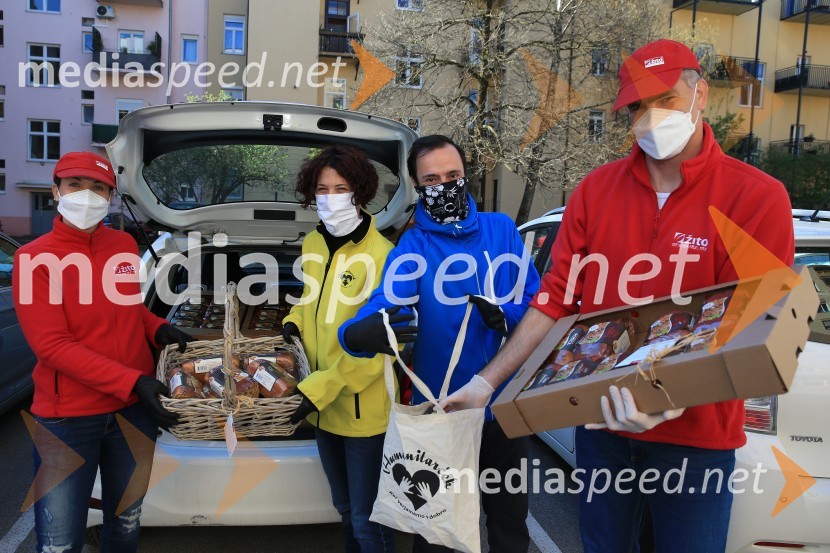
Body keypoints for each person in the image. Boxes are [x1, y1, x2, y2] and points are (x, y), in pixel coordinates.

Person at [440, 39, 795, 552]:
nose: (651, 118)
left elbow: (757, 320)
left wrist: (671, 398)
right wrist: (485, 383)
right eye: (637, 107)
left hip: (696, 443)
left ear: (700, 94)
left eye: (666, 100)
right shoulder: (595, 191)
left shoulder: (755, 196)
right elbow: (555, 302)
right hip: (602, 431)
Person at [339, 135, 540, 553]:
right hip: (443, 412)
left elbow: (535, 301)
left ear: (466, 176)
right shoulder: (413, 246)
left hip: (504, 407)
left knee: (509, 524)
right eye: (432, 179)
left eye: (453, 176)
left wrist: (508, 315)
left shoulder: (502, 230)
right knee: (436, 535)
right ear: (417, 185)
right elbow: (383, 303)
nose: (444, 185)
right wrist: (354, 334)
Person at [12, 151, 194, 552]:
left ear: (111, 197)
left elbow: (130, 312)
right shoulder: (32, 259)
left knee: (126, 524)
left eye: (99, 188)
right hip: (67, 420)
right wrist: (135, 380)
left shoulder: (123, 245)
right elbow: (52, 347)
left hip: (132, 411)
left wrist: (160, 328)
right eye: (75, 185)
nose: (87, 195)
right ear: (55, 191)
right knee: (60, 541)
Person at [283, 145, 408, 553]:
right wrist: (292, 323)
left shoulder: (385, 257)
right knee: (344, 509)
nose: (330, 197)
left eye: (341, 187)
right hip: (322, 408)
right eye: (322, 188)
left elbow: (382, 347)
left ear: (361, 192)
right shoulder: (313, 245)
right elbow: (310, 300)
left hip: (363, 415)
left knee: (368, 519)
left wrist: (317, 389)